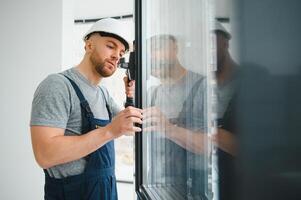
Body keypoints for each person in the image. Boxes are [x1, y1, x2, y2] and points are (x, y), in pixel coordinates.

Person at [30, 18, 143, 200]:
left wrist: (131, 95)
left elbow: (130, 128)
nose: (117, 55)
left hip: (105, 192)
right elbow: (45, 155)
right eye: (110, 46)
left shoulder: (103, 94)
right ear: (89, 45)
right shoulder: (58, 85)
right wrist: (109, 132)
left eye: (121, 52)